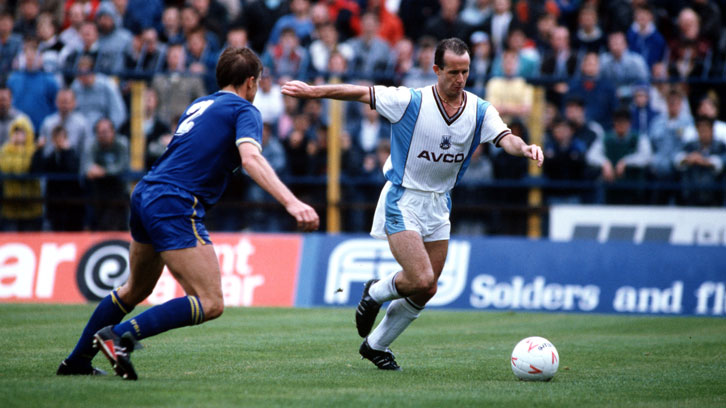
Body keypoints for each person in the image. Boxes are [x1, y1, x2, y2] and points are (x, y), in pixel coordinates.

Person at [57, 47, 319, 379]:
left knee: (135, 289)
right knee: (210, 301)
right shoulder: (244, 109)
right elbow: (251, 159)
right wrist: (292, 202)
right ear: (251, 82)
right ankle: (120, 336)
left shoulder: (200, 104)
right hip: (174, 201)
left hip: (147, 191)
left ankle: (78, 360)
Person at [282, 37, 543, 370]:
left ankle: (376, 346)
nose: (460, 79)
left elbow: (506, 138)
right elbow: (360, 92)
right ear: (436, 70)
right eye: (452, 72)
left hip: (439, 204)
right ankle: (375, 292)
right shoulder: (410, 100)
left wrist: (525, 149)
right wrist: (313, 91)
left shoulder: (479, 109)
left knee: (427, 288)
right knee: (419, 278)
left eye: (465, 71)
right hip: (403, 198)